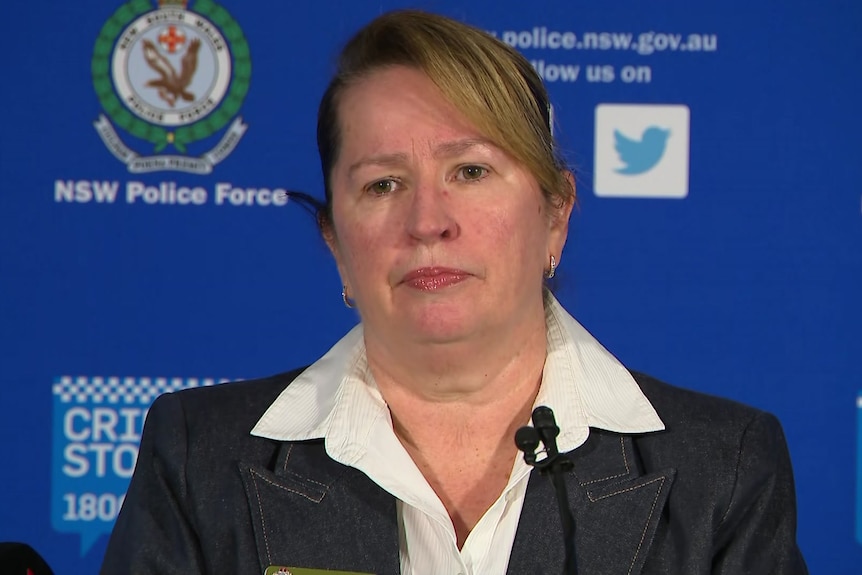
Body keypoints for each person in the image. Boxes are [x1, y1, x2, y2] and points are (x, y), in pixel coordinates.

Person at [101, 9, 808, 575]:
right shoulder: (198, 458)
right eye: (383, 184)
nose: (428, 222)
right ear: (335, 243)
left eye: (469, 171)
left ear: (555, 215)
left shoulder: (724, 469)